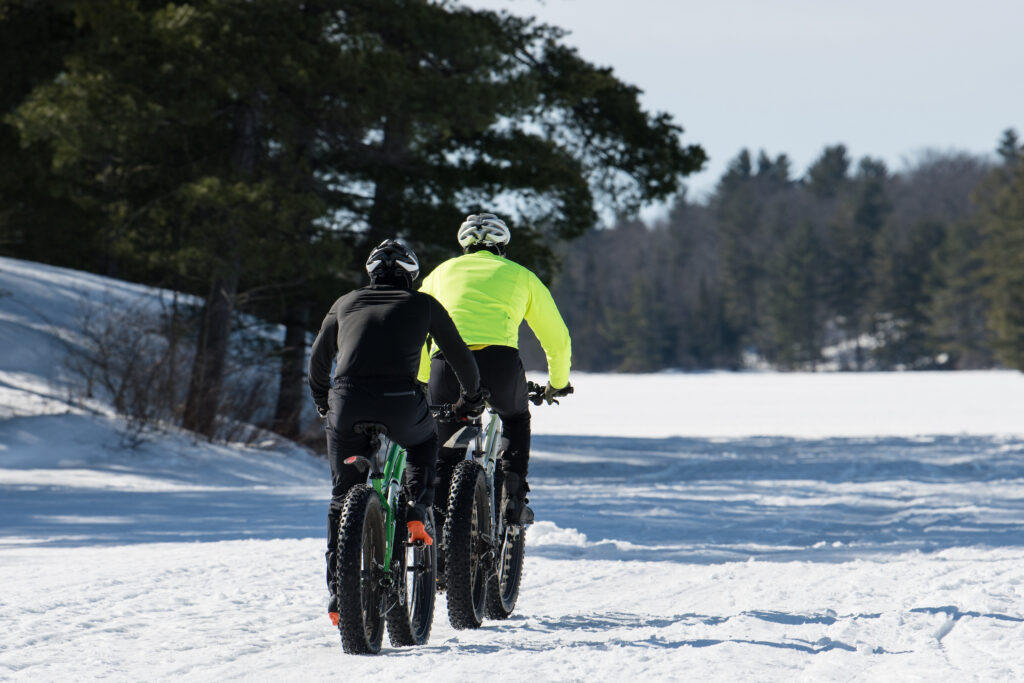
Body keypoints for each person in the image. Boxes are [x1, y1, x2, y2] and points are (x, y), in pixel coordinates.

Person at [309, 239, 484, 624]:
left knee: (342, 495)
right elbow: (458, 355)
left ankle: (339, 593)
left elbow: (319, 362)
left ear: (371, 273)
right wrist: (471, 399)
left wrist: (325, 402)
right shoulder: (423, 303)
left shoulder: (344, 303)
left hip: (347, 403)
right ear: (411, 275)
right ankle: (417, 511)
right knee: (424, 444)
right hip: (402, 401)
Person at [417, 213, 572, 528]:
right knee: (515, 418)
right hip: (498, 365)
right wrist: (557, 383)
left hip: (445, 367)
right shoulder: (520, 274)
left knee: (445, 454)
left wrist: (422, 381)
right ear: (502, 245)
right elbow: (557, 337)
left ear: (465, 247)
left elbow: (416, 328)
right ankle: (513, 497)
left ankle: (443, 530)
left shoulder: (440, 273)